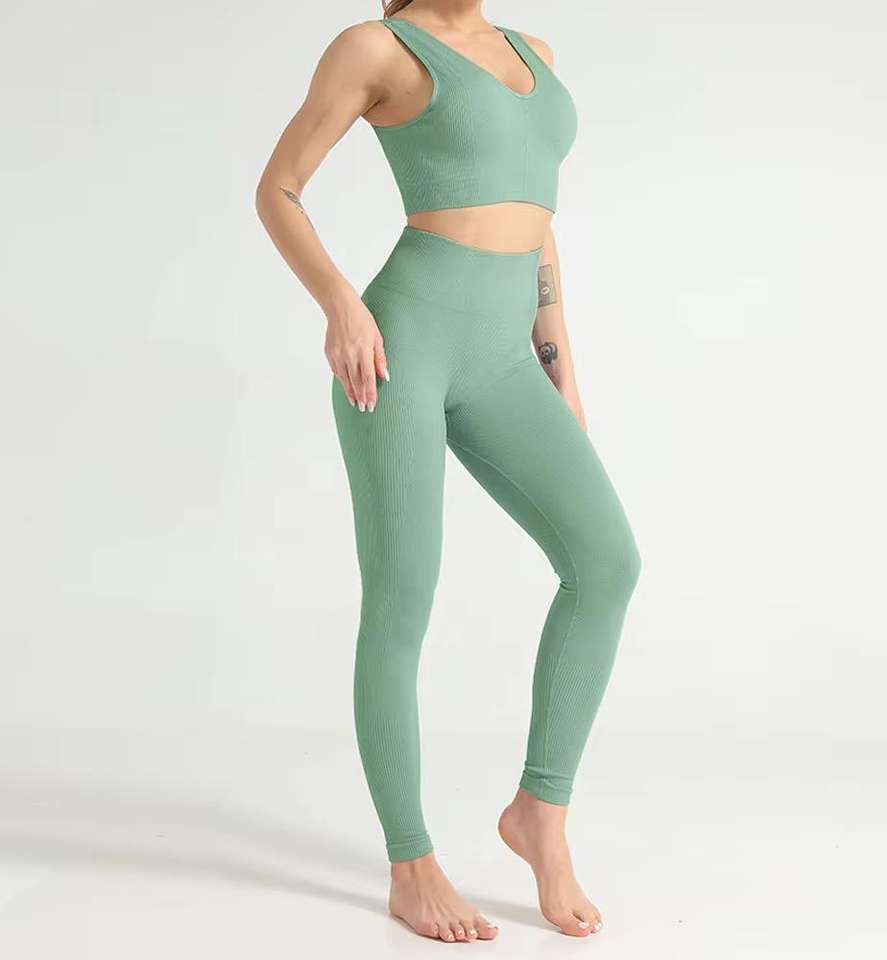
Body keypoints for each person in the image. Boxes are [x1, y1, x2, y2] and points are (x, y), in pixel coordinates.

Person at [255, 0, 640, 942]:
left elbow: (537, 222)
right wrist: (341, 305)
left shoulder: (532, 51)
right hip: (402, 347)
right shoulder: (377, 47)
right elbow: (280, 188)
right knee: (401, 603)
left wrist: (560, 366)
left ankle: (539, 813)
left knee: (606, 563)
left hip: (507, 357)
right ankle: (411, 863)